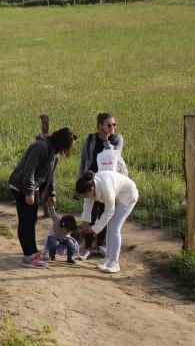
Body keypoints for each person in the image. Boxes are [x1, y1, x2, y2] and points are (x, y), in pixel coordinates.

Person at [8, 127, 78, 268]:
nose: (66, 151)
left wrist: (51, 193)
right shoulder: (40, 146)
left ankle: (32, 251)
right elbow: (29, 170)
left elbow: (49, 175)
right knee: (26, 221)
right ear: (61, 143)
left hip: (33, 187)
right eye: (67, 147)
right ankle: (28, 257)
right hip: (21, 186)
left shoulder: (53, 152)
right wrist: (28, 192)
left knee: (31, 220)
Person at [77, 113, 128, 260]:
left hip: (109, 183)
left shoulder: (117, 139)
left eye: (114, 125)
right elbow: (84, 159)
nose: (113, 128)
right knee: (90, 214)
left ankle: (100, 245)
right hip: (91, 183)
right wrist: (81, 179)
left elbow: (115, 155)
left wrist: (106, 140)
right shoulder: (90, 139)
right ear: (99, 126)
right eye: (109, 125)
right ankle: (87, 247)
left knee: (105, 214)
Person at [76, 170, 139, 273]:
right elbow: (87, 203)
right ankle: (108, 259)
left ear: (91, 189)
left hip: (128, 195)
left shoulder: (105, 188)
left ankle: (114, 263)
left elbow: (109, 211)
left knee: (114, 227)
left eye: (85, 195)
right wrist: (85, 221)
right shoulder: (90, 187)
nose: (84, 197)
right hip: (118, 195)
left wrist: (94, 229)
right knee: (110, 225)